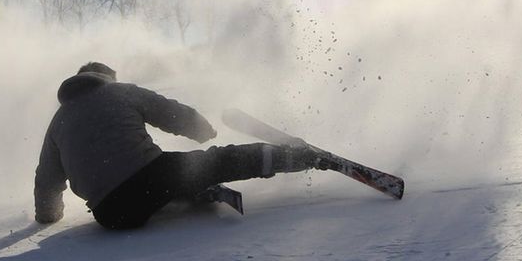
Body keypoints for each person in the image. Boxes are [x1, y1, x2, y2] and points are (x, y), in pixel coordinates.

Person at [34, 62, 324, 229]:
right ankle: (298, 157)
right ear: (105, 77)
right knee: (216, 161)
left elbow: (47, 180)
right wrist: (203, 130)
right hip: (150, 181)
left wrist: (49, 216)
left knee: (166, 176)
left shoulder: (57, 121)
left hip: (110, 215)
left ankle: (183, 190)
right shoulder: (118, 91)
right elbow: (168, 112)